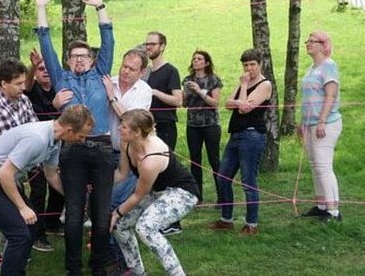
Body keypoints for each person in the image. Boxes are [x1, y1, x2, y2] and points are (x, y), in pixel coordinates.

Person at [35, 0, 115, 276]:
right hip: (73, 152)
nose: (79, 59)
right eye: (75, 56)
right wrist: (41, 8)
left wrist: (100, 6)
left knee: (102, 215)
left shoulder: (101, 73)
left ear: (92, 60)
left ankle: (99, 267)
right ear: (68, 61)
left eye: (84, 55)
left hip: (103, 148)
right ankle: (73, 269)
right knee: (72, 216)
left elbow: (108, 39)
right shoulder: (61, 78)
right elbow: (45, 43)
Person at [0, 105, 95, 276]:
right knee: (19, 235)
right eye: (81, 136)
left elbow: (52, 176)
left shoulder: (55, 141)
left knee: (30, 228)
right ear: (70, 130)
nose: (82, 141)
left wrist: (75, 199)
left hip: (0, 180)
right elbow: (4, 174)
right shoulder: (38, 138)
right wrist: (22, 208)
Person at [111, 109, 199, 276]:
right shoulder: (127, 143)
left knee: (146, 227)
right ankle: (137, 272)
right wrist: (98, 184)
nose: (118, 129)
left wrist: (117, 212)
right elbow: (121, 174)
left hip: (183, 193)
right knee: (120, 225)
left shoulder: (151, 158)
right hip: (159, 191)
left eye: (123, 127)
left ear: (136, 132)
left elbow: (139, 195)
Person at [0, 58, 39, 267]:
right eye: (18, 83)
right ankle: (8, 260)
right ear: (3, 84)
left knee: (20, 220)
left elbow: (33, 130)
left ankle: (14, 257)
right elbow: (12, 152)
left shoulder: (23, 101)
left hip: (15, 173)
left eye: (24, 82)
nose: (23, 87)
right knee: (15, 222)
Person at [208, 48, 271, 236]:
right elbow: (228, 103)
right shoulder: (243, 81)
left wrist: (243, 88)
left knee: (248, 180)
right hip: (236, 135)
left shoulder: (264, 84)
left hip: (252, 136)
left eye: (252, 64)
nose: (249, 68)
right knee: (223, 177)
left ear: (260, 65)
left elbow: (243, 108)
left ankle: (251, 223)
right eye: (245, 65)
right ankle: (226, 219)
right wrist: (240, 97)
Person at [298, 31, 343, 222]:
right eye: (307, 41)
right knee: (315, 165)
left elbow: (330, 96)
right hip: (310, 124)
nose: (307, 43)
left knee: (324, 165)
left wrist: (322, 121)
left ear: (322, 45)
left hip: (326, 124)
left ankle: (333, 211)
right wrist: (303, 123)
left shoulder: (329, 66)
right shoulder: (312, 68)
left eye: (311, 41)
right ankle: (322, 205)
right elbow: (308, 98)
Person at [25, 49, 67, 245]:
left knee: (60, 184)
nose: (45, 72)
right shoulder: (33, 90)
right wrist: (34, 65)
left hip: (61, 143)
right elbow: (26, 83)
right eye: (41, 69)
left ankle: (52, 222)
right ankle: (36, 233)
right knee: (39, 189)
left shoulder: (61, 88)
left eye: (47, 68)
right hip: (38, 146)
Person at [143, 31, 183, 235]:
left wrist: (156, 92)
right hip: (148, 129)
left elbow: (178, 100)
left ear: (162, 46)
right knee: (151, 173)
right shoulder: (147, 72)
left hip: (166, 126)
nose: (148, 47)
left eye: (152, 44)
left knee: (166, 172)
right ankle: (156, 218)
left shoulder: (171, 71)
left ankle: (174, 221)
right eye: (146, 43)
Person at [103, 48, 153, 207]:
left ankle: (113, 225)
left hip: (129, 152)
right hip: (105, 149)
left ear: (142, 72)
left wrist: (112, 97)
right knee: (102, 192)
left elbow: (131, 120)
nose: (125, 71)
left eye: (131, 69)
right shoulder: (109, 82)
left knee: (117, 198)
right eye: (124, 66)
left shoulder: (144, 90)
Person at [182, 50, 223, 206]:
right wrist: (185, 95)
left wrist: (200, 91)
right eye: (194, 59)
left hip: (211, 124)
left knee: (214, 160)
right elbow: (184, 104)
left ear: (206, 63)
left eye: (199, 59)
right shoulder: (187, 80)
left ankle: (222, 196)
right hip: (193, 125)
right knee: (195, 161)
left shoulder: (213, 80)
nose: (196, 61)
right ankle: (197, 196)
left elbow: (215, 102)